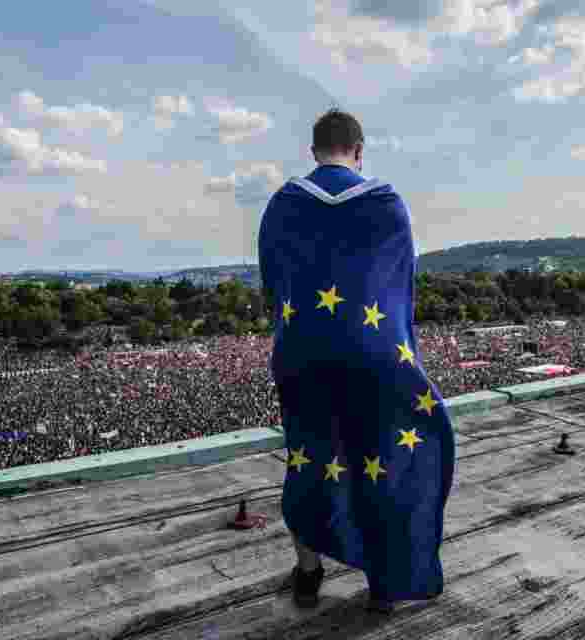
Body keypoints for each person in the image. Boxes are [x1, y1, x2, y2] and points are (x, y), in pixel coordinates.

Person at [258, 109, 456, 613]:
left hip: (305, 356)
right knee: (382, 462)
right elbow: (399, 291)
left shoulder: (282, 204)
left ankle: (308, 572)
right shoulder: (388, 202)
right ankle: (384, 583)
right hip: (374, 357)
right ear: (360, 150)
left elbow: (273, 284)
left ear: (313, 151)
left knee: (308, 460)